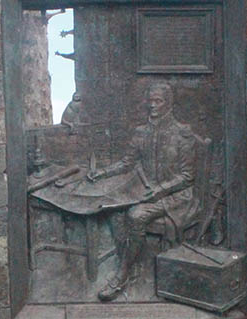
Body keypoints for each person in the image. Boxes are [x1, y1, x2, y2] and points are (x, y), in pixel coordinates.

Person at [86, 82, 201, 301]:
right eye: (150, 101)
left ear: (169, 103)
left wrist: (160, 191)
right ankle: (131, 259)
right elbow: (127, 163)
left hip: (176, 196)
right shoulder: (141, 132)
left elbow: (188, 177)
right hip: (146, 191)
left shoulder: (182, 135)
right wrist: (101, 173)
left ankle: (122, 274)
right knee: (113, 209)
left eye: (158, 101)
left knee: (135, 216)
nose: (152, 106)